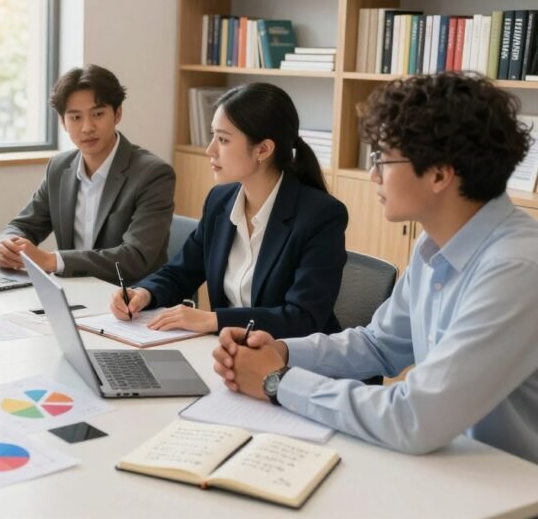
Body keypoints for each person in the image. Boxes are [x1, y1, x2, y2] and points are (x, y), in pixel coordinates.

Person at [212, 72, 538, 464]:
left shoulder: (516, 269)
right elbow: (379, 344)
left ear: (439, 174)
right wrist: (282, 351)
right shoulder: (433, 243)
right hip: (450, 469)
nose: (373, 174)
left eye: (383, 158)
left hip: (510, 489)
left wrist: (278, 381)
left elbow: (415, 417)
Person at [111, 83, 347, 339]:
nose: (210, 149)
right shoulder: (220, 201)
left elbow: (303, 318)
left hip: (293, 363)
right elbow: (182, 271)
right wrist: (144, 293)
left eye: (223, 139)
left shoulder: (320, 216)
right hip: (229, 353)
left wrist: (214, 320)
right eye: (213, 135)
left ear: (263, 150)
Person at [0, 64, 175, 284]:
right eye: (76, 117)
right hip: (74, 295)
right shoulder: (59, 168)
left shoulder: (153, 174)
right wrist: (8, 245)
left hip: (132, 301)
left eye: (97, 114)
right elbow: (24, 225)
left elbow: (135, 257)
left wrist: (51, 260)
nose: (87, 128)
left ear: (117, 114)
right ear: (63, 122)